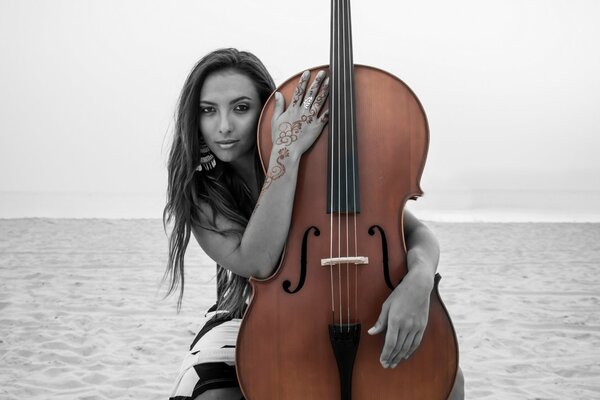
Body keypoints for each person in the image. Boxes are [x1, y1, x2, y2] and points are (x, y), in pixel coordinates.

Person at [164, 48, 464, 400]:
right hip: (244, 317)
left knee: (447, 379)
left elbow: (415, 232)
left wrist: (419, 280)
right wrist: (285, 153)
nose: (224, 126)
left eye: (241, 108)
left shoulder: (320, 160)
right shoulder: (200, 194)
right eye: (208, 110)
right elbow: (258, 261)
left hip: (338, 307)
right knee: (211, 396)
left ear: (268, 109)